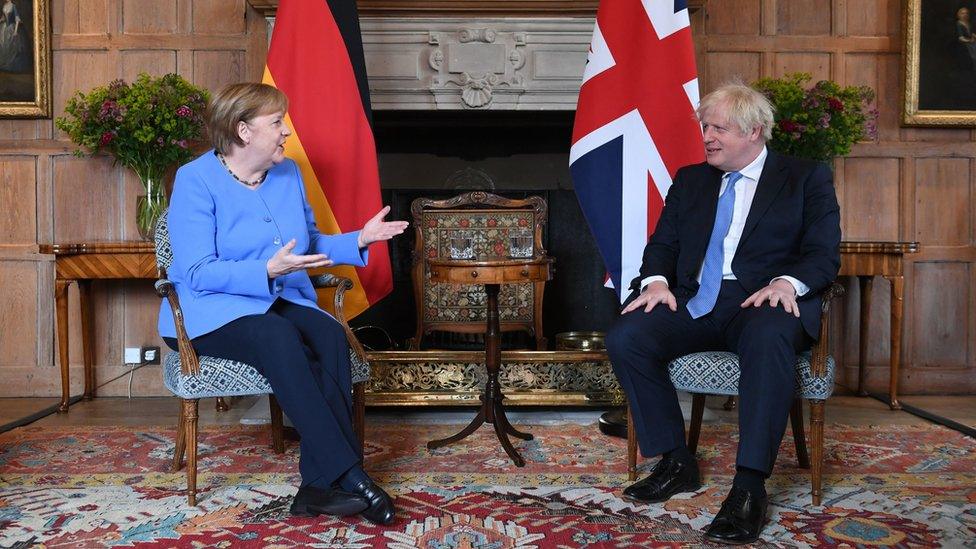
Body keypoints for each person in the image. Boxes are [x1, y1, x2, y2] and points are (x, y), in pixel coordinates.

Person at [158, 82, 408, 525]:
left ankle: (315, 487)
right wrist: (265, 270)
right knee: (279, 336)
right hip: (211, 309)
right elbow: (195, 271)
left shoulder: (288, 173)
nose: (285, 132)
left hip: (276, 296)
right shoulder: (195, 180)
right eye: (276, 122)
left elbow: (307, 244)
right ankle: (351, 475)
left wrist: (360, 240)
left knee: (331, 336)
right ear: (243, 131)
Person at [605, 82, 840, 545]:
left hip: (763, 301)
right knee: (628, 335)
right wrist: (655, 282)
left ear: (754, 131)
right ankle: (676, 461)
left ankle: (749, 486)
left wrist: (784, 284)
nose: (708, 137)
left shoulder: (805, 177)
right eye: (705, 128)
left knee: (770, 337)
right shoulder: (692, 179)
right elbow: (663, 246)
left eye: (719, 128)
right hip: (696, 301)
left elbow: (823, 254)